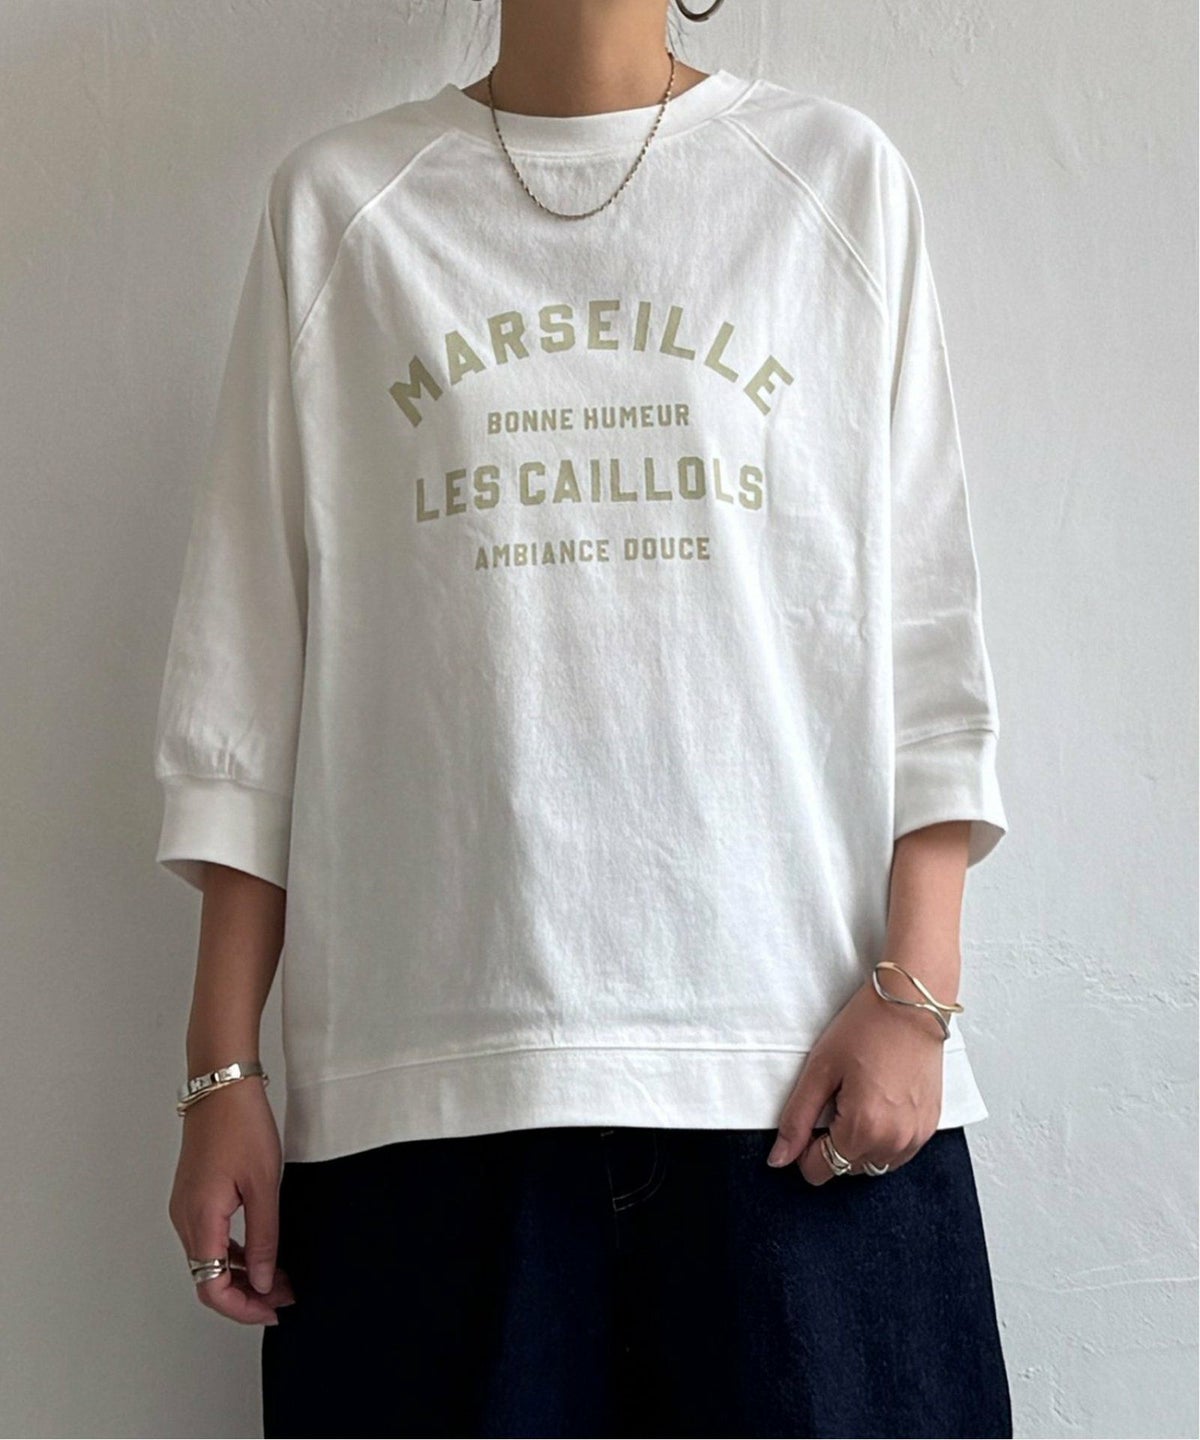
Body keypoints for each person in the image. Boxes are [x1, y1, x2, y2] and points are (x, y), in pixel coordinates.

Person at [155, 1, 1014, 1435]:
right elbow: (251, 676)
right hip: (429, 1099)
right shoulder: (341, 210)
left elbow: (926, 627)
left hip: (793, 1082)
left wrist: (917, 995)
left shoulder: (834, 183)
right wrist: (220, 1069)